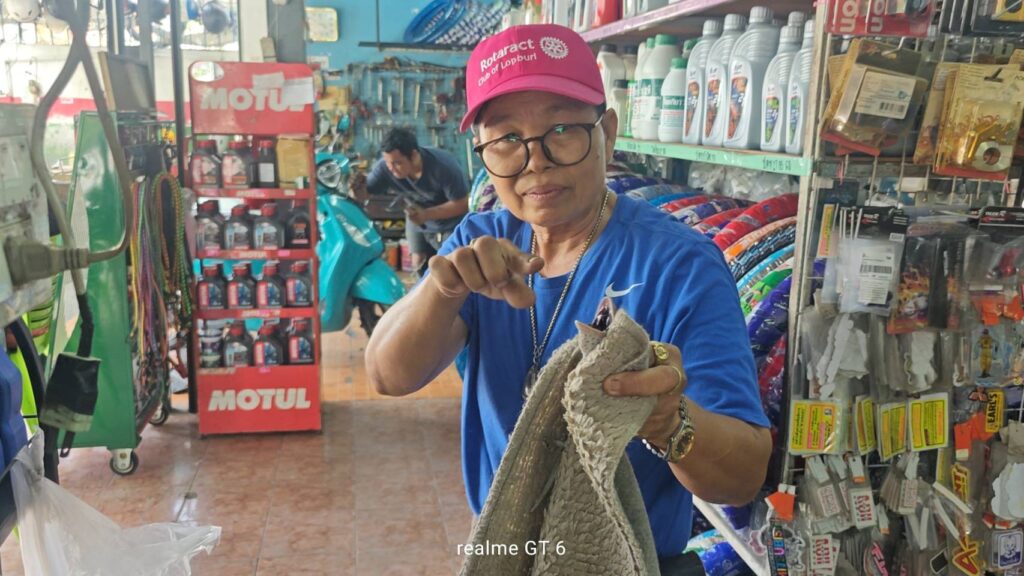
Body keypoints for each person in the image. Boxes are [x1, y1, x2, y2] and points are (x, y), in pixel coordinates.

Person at [365, 24, 771, 572]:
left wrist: (670, 422)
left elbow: (743, 477)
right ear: (482, 151)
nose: (536, 160)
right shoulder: (479, 242)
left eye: (561, 129)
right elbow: (387, 375)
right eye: (507, 138)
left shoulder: (680, 265)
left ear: (608, 132)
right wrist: (443, 290)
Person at [352, 128, 469, 275]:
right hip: (416, 218)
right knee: (418, 264)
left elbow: (463, 204)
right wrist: (356, 190)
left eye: (397, 163)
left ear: (414, 156)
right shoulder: (385, 167)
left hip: (450, 223)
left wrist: (426, 214)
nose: (391, 169)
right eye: (388, 162)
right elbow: (364, 195)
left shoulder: (444, 167)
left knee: (450, 268)